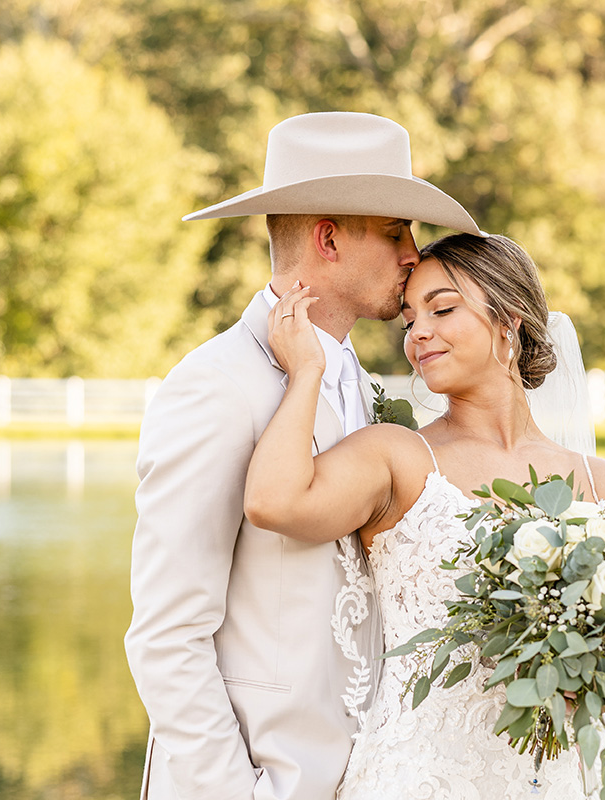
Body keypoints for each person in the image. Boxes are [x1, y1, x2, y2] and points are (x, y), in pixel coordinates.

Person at [124, 111, 486, 800]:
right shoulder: (216, 385)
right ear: (327, 238)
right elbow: (167, 636)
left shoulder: (368, 387)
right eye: (394, 232)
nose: (414, 254)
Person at [243, 233, 605, 799]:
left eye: (442, 309)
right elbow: (271, 501)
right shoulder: (397, 457)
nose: (418, 333)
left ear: (510, 321)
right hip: (419, 778)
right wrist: (307, 370)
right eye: (408, 320)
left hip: (553, 779)